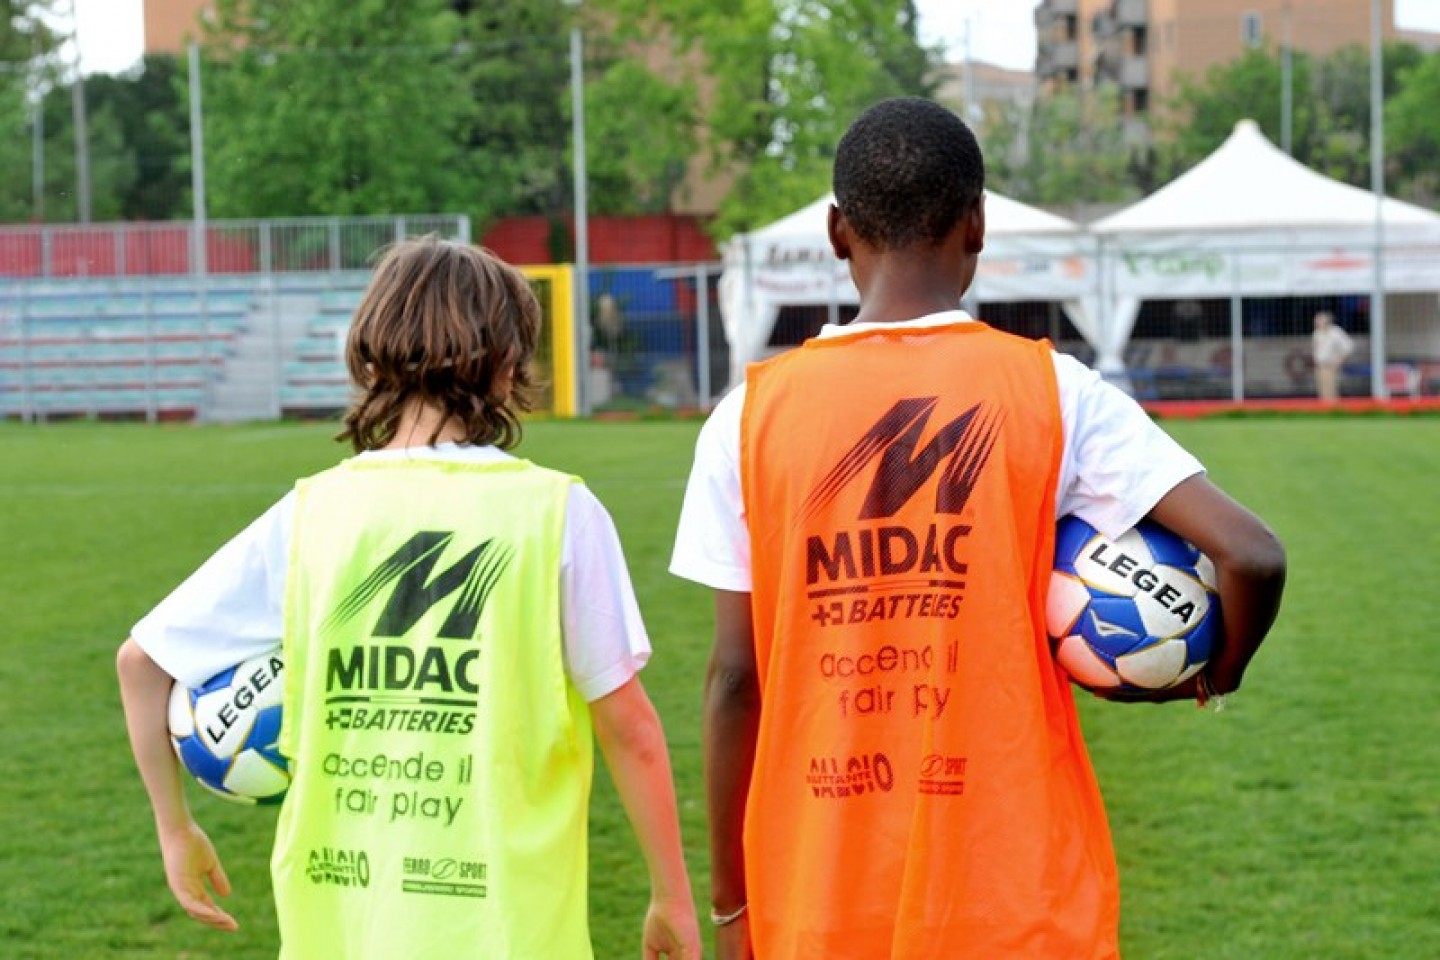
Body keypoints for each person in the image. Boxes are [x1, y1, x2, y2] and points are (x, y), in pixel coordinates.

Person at [670, 97, 1287, 959]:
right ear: (979, 224)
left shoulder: (746, 418)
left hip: (818, 901)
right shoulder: (1056, 392)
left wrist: (734, 910)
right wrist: (1216, 671)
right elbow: (1251, 554)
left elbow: (737, 681)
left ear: (837, 231)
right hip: (1016, 905)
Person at [118, 237, 701, 959]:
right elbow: (631, 731)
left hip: (340, 928)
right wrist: (671, 896)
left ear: (368, 358)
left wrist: (177, 831)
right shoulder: (559, 514)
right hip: (510, 929)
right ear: (509, 364)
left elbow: (142, 662)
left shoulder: (309, 514)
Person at [1312, 309, 1353, 402]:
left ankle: (1334, 411)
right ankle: (1324, 412)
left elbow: (1348, 347)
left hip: (1332, 366)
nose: (1317, 323)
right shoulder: (1317, 333)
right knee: (1322, 392)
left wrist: (1339, 361)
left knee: (1332, 391)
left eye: (1319, 321)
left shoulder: (1336, 332)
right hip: (1320, 366)